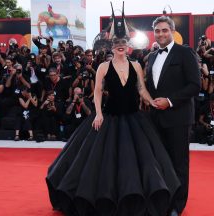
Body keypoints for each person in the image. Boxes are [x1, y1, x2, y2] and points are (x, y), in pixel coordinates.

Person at [46, 5, 181, 216]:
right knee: (102, 162)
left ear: (128, 46)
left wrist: (152, 101)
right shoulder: (103, 67)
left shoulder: (136, 65)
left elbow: (141, 89)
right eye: (117, 43)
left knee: (139, 162)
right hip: (109, 118)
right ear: (111, 46)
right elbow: (98, 91)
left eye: (124, 43)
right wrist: (98, 113)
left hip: (134, 119)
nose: (120, 46)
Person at [146, 16, 201, 216]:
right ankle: (162, 202)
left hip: (178, 117)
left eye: (164, 30)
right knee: (160, 163)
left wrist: (169, 101)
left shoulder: (185, 53)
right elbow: (150, 87)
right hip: (155, 119)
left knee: (179, 164)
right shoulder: (152, 57)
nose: (160, 34)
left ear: (172, 31)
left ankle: (177, 205)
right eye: (157, 31)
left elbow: (195, 85)